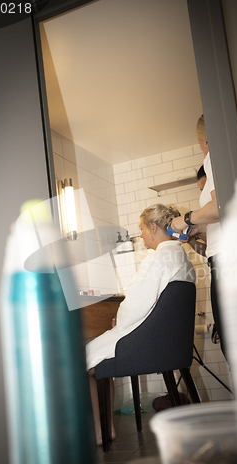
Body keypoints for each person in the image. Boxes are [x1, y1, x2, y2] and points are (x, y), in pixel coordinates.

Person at [86, 204, 196, 445]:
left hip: (147, 343)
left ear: (153, 227)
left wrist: (119, 322)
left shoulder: (157, 259)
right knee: (97, 355)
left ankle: (100, 430)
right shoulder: (181, 257)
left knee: (85, 360)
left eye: (142, 229)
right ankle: (104, 428)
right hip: (168, 345)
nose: (141, 235)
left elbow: (136, 306)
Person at [171, 114, 226, 360]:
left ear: (204, 140)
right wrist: (193, 237)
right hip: (221, 260)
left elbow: (217, 209)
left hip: (227, 262)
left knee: (230, 339)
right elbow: (210, 245)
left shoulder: (214, 157)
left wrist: (186, 219)